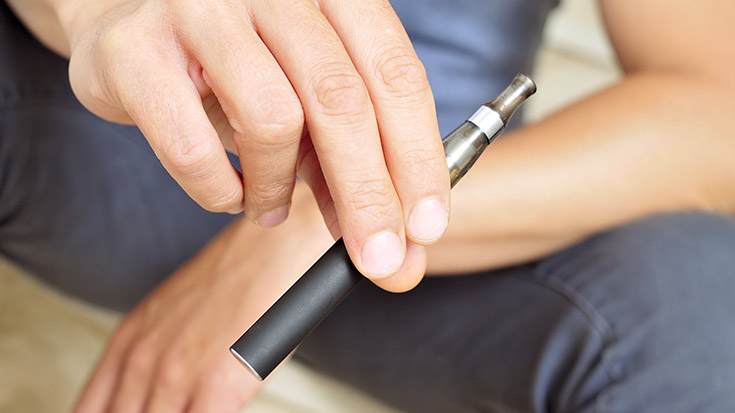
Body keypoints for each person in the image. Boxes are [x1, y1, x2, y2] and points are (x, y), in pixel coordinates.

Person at [2, 0, 734, 411]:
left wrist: (335, 218)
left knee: (700, 304)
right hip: (112, 136)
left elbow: (714, 115)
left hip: (426, 247)